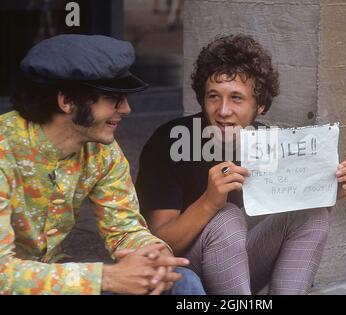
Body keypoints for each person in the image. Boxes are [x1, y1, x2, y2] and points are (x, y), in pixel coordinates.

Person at [135, 34, 346, 295]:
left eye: (237, 99)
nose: (223, 110)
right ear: (202, 98)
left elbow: (294, 221)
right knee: (226, 216)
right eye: (213, 97)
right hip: (183, 275)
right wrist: (209, 202)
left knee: (313, 214)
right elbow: (158, 245)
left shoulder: (269, 144)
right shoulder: (172, 141)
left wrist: (326, 191)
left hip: (236, 271)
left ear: (260, 106)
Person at [0, 34, 205, 295]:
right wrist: (105, 278)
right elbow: (3, 275)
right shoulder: (4, 149)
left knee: (180, 281)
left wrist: (154, 256)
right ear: (67, 101)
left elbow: (124, 228)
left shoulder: (101, 151)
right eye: (114, 99)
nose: (127, 109)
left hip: (55, 284)